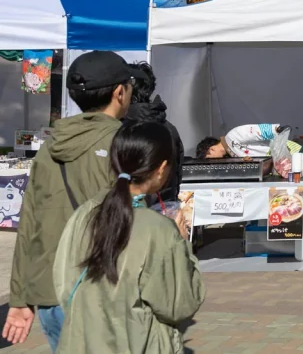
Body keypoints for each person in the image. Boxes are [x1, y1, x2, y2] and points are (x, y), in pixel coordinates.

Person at [4, 51, 140, 350]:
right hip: (105, 288)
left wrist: (20, 298)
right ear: (120, 92)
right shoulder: (126, 143)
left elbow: (29, 224)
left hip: (50, 290)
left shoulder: (50, 146)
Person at [53, 117, 206, 353]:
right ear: (162, 169)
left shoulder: (84, 214)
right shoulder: (160, 230)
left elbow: (64, 285)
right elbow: (179, 304)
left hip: (81, 343)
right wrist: (183, 244)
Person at [126, 61, 185, 201]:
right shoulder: (169, 128)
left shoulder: (120, 128)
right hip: (164, 205)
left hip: (127, 208)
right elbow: (176, 175)